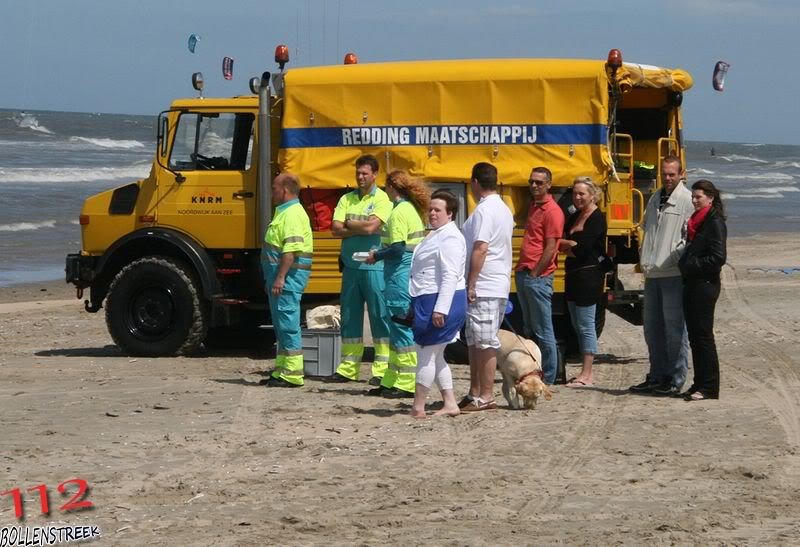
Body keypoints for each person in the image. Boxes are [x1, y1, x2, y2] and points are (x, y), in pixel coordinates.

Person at [630, 155, 694, 396]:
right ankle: (657, 375)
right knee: (653, 328)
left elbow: (688, 238)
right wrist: (644, 257)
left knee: (674, 329)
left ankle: (675, 379)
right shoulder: (656, 197)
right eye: (664, 174)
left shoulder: (687, 200)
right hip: (652, 272)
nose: (667, 178)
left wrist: (674, 257)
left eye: (672, 174)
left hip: (672, 273)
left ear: (681, 174)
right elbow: (647, 229)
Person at [365, 170, 428, 398]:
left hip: (399, 274)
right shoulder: (410, 209)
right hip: (405, 273)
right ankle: (391, 379)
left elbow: (398, 247)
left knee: (401, 326)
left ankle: (407, 383)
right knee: (395, 327)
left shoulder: (399, 212)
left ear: (392, 187)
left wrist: (376, 255)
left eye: (385, 187)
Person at [331, 155, 393, 384]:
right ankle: (348, 368)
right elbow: (334, 229)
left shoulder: (383, 199)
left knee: (379, 317)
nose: (360, 177)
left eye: (365, 173)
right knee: (349, 317)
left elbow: (371, 228)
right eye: (358, 173)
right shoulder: (346, 198)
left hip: (374, 266)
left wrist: (349, 224)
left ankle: (381, 370)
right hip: (350, 266)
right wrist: (358, 227)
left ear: (375, 175)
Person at [460, 162, 515, 412]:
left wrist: (471, 282)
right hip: (493, 283)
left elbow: (481, 247)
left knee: (484, 341)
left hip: (486, 284)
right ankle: (474, 391)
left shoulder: (486, 210)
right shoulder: (503, 208)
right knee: (474, 340)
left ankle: (486, 395)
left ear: (475, 183)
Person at [408, 190, 468, 417]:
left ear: (450, 214)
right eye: (430, 209)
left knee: (425, 353)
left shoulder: (450, 237)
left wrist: (440, 308)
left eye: (437, 210)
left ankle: (418, 406)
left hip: (440, 300)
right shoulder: (438, 234)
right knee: (436, 354)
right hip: (428, 298)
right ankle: (450, 403)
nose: (432, 213)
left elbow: (450, 274)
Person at [261, 173, 313, 387]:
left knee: (288, 324)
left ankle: (292, 374)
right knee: (281, 325)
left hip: (288, 279)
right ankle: (281, 369)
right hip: (281, 278)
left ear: (284, 191)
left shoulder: (291, 214)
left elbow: (290, 252)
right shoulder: (285, 213)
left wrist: (280, 278)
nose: (272, 193)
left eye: (274, 189)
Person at [514, 166, 564, 385]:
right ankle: (533, 370)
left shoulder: (553, 211)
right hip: (525, 272)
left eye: (539, 182)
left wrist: (535, 273)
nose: (534, 185)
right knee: (529, 328)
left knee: (544, 331)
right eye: (532, 181)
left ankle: (550, 377)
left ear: (549, 185)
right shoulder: (534, 205)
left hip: (538, 277)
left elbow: (551, 247)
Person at [679, 180, 727, 401]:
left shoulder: (714, 221)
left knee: (704, 336)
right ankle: (699, 383)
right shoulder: (697, 221)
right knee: (695, 337)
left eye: (698, 197)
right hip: (692, 283)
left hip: (705, 285)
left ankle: (709, 386)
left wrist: (691, 264)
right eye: (693, 197)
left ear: (710, 197)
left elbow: (718, 258)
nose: (695, 201)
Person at [558, 177, 607, 388]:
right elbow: (561, 241)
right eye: (575, 193)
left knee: (586, 325)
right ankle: (582, 371)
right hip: (573, 274)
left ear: (592, 195)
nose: (577, 198)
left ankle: (587, 374)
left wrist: (569, 245)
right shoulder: (575, 214)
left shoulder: (596, 217)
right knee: (576, 323)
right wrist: (568, 243)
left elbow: (582, 248)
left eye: (582, 194)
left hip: (589, 276)